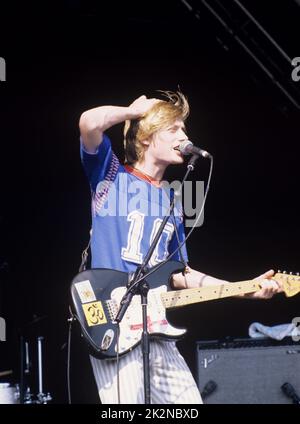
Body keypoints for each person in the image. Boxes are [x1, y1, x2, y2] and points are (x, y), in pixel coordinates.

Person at [79, 91, 283, 404]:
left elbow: (180, 275)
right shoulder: (111, 175)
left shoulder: (172, 203)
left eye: (184, 129)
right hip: (115, 325)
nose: (184, 136)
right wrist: (132, 110)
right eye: (173, 129)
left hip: (157, 328)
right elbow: (89, 122)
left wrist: (246, 288)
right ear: (146, 138)